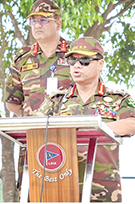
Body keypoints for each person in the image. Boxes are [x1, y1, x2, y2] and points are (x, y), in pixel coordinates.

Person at [35, 37, 135, 202]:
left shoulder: (118, 98)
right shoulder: (56, 100)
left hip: (103, 189)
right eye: (72, 60)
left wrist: (90, 129)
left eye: (85, 60)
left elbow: (131, 124)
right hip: (61, 187)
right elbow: (33, 127)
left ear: (100, 64)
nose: (77, 65)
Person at [5, 0, 72, 117]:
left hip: (70, 129)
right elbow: (11, 101)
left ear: (58, 24)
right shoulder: (22, 58)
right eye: (33, 21)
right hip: (33, 132)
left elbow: (92, 92)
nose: (37, 25)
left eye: (43, 20)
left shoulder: (75, 53)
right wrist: (30, 117)